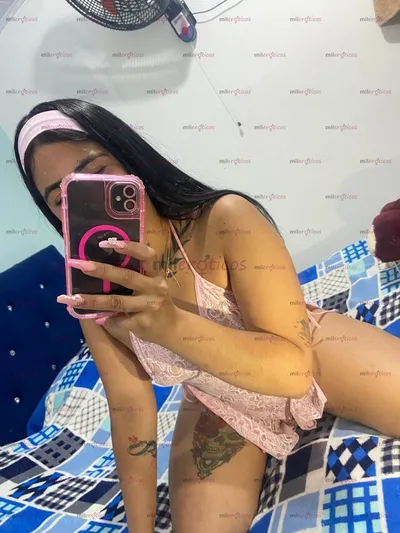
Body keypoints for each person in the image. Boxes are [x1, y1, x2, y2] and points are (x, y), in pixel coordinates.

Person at [14, 98, 400, 533]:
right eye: (62, 198)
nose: (84, 200)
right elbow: (128, 409)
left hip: (311, 357)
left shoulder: (224, 219)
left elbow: (293, 372)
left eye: (98, 172)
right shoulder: (95, 289)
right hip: (220, 403)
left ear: (129, 154)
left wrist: (171, 325)